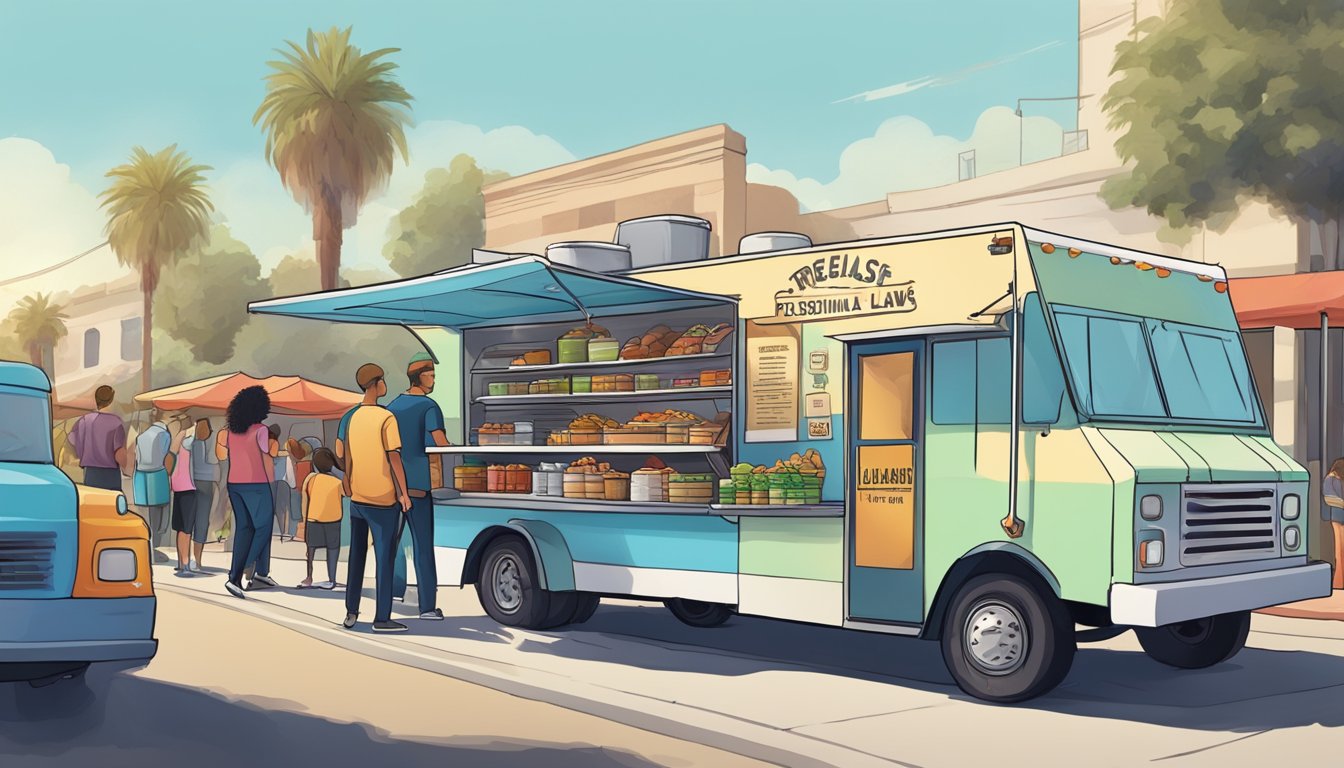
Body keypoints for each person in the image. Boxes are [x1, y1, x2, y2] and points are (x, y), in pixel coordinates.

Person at [340, 363, 412, 633]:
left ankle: (351, 611)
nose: (385, 385)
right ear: (375, 384)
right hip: (382, 498)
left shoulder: (352, 417)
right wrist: (404, 494)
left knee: (357, 556)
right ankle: (381, 618)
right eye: (383, 381)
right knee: (384, 558)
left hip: (358, 498)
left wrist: (348, 482)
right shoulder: (387, 418)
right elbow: (394, 458)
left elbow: (347, 455)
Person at [386, 352, 450, 620]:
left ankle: (393, 593)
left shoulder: (391, 407)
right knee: (423, 546)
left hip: (393, 487)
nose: (434, 379)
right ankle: (426, 607)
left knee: (392, 544)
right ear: (419, 376)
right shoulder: (428, 407)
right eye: (431, 374)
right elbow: (441, 444)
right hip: (419, 489)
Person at [217, 386, 280, 599]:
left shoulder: (231, 432)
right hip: (257, 484)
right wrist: (272, 482)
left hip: (235, 483)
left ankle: (244, 577)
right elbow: (266, 460)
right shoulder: (261, 431)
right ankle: (245, 567)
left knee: (244, 528)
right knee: (263, 526)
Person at [300, 448, 344, 590]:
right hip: (333, 520)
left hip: (313, 519)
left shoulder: (311, 479)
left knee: (310, 550)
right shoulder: (337, 482)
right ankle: (332, 579)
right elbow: (348, 491)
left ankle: (309, 577)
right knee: (333, 550)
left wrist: (304, 519)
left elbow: (305, 501)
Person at [69, 385, 128, 492]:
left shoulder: (84, 420)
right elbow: (119, 452)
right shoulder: (116, 422)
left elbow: (72, 439)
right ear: (111, 400)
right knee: (112, 505)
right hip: (110, 474)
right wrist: (126, 466)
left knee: (93, 503)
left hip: (90, 473)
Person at [133, 408, 173, 562]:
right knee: (159, 514)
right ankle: (154, 549)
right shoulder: (164, 434)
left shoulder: (142, 436)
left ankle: (147, 547)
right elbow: (165, 455)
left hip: (141, 476)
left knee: (145, 514)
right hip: (157, 475)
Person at [169, 415, 199, 576]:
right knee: (186, 529)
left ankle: (181, 562)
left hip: (178, 486)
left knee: (180, 527)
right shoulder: (188, 439)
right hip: (189, 486)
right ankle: (186, 564)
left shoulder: (174, 441)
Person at [188, 418, 219, 572]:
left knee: (190, 521)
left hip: (189, 483)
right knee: (202, 521)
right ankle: (197, 559)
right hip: (205, 483)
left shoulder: (190, 443)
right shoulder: (205, 445)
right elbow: (211, 464)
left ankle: (188, 559)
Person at [269, 424, 295, 541]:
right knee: (283, 506)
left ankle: (282, 530)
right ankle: (284, 531)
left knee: (277, 507)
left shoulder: (269, 447)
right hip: (282, 480)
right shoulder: (282, 451)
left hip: (273, 481)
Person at [1325, 458, 1344, 591]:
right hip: (1338, 517)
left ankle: (1339, 582)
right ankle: (1339, 582)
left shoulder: (1332, 479)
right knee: (1340, 550)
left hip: (1336, 516)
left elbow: (1330, 498)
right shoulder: (1332, 479)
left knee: (1340, 550)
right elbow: (1330, 498)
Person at [288, 438, 312, 542]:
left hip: (301, 485)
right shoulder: (305, 459)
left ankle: (299, 532)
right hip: (303, 485)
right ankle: (301, 532)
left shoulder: (299, 461)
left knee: (299, 506)